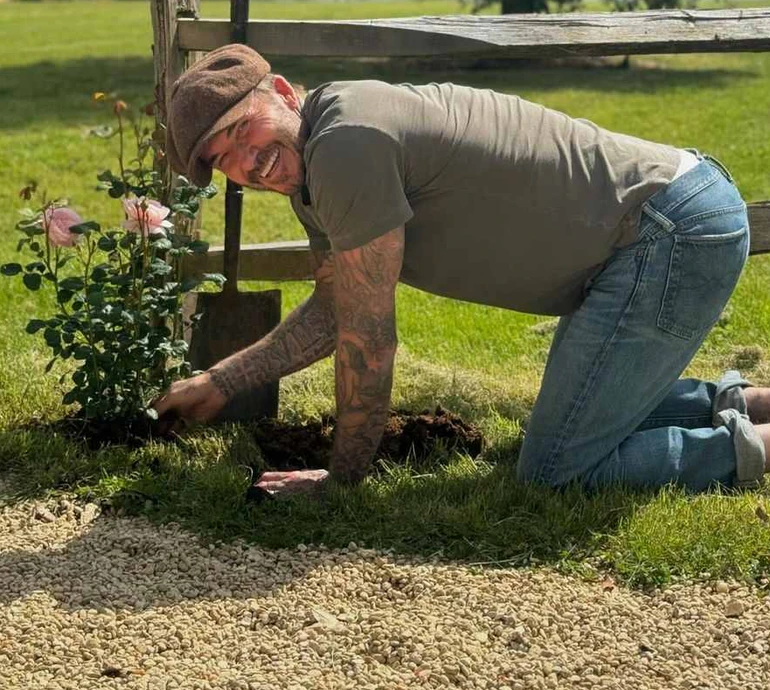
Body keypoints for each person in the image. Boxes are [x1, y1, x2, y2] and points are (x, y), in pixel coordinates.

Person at [154, 43, 770, 496]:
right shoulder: (315, 169)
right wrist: (224, 381)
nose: (246, 160)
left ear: (284, 93)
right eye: (223, 158)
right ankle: (750, 404)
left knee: (557, 470)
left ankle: (754, 449)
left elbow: (367, 339)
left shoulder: (346, 144)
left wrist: (340, 479)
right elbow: (337, 307)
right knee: (567, 422)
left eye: (242, 129)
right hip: (661, 222)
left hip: (666, 234)